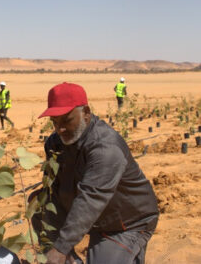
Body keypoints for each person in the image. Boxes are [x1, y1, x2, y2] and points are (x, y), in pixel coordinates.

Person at [31, 82, 159, 264]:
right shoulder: (55, 144)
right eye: (55, 122)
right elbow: (52, 190)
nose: (60, 129)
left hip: (125, 222)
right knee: (39, 202)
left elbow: (91, 198)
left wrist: (60, 248)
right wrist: (58, 247)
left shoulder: (105, 148)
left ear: (86, 113)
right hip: (90, 214)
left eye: (67, 120)